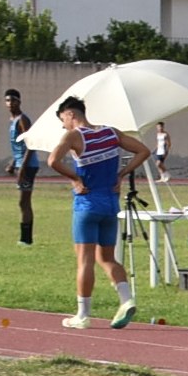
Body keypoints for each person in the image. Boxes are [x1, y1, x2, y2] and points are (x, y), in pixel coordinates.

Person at [46, 96, 147, 331]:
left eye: (63, 120)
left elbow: (53, 161)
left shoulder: (74, 136)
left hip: (87, 204)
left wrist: (75, 178)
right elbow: (143, 151)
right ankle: (126, 299)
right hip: (110, 205)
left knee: (85, 260)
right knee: (107, 258)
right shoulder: (111, 132)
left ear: (70, 114)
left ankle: (82, 315)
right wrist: (122, 174)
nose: (63, 126)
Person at [4, 88, 39, 246]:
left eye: (13, 100)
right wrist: (13, 163)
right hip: (21, 164)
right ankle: (25, 238)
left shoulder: (22, 119)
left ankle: (26, 239)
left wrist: (23, 168)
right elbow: (18, 147)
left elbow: (30, 145)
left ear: (19, 102)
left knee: (24, 201)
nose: (10, 103)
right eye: (7, 100)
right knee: (23, 202)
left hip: (28, 165)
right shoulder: (12, 120)